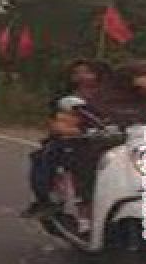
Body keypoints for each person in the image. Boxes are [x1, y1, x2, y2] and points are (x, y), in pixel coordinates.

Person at [21, 59, 111, 218]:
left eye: (87, 72)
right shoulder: (67, 98)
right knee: (44, 157)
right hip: (75, 142)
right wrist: (74, 131)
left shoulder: (113, 97)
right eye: (77, 73)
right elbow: (58, 123)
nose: (82, 76)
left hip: (110, 142)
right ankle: (46, 200)